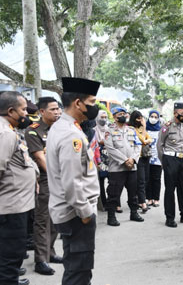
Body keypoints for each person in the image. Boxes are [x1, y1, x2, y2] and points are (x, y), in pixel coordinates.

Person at [46, 77, 101, 285]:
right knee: (79, 272)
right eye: (92, 103)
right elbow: (72, 182)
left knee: (77, 267)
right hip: (76, 215)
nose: (94, 108)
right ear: (78, 103)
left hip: (71, 212)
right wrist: (85, 212)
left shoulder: (65, 128)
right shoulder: (70, 135)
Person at [0, 91, 37, 285]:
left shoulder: (9, 130)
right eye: (23, 109)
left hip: (16, 205)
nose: (26, 114)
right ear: (11, 111)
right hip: (10, 207)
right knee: (10, 256)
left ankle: (11, 279)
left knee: (10, 256)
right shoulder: (5, 134)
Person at [24, 97, 63, 276]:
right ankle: (41, 259)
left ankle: (50, 252)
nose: (57, 112)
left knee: (56, 217)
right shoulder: (33, 131)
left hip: (61, 178)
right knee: (42, 220)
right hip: (45, 180)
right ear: (41, 112)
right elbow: (40, 157)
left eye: (58, 109)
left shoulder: (59, 129)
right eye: (53, 109)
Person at [157, 102, 183, 227]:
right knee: (170, 190)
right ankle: (169, 218)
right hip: (170, 159)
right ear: (175, 113)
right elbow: (160, 145)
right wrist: (163, 162)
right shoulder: (167, 126)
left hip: (182, 159)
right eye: (182, 113)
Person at [104, 107, 144, 226]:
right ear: (114, 116)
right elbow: (110, 149)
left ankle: (134, 212)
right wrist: (125, 160)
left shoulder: (131, 130)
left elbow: (138, 145)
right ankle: (111, 216)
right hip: (117, 168)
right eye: (120, 114)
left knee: (133, 192)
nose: (123, 116)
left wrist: (133, 159)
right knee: (113, 193)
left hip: (132, 167)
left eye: (124, 114)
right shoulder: (109, 131)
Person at [128, 110, 153, 213]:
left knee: (146, 179)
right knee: (141, 180)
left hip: (146, 156)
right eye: (138, 118)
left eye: (141, 118)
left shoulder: (140, 129)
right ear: (134, 119)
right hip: (138, 158)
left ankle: (139, 200)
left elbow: (149, 139)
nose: (141, 120)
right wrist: (144, 128)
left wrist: (145, 139)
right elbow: (142, 140)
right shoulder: (132, 129)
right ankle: (143, 203)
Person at [145, 110, 162, 208]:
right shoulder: (144, 129)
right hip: (147, 157)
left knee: (156, 179)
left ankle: (156, 199)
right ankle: (149, 198)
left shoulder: (161, 129)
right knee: (148, 179)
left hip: (157, 158)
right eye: (152, 116)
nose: (153, 118)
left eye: (156, 117)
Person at [94, 110, 110, 210]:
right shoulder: (93, 130)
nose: (103, 119)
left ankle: (111, 202)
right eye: (101, 117)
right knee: (100, 182)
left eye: (105, 117)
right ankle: (103, 204)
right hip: (98, 159)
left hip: (110, 159)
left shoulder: (109, 129)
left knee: (113, 182)